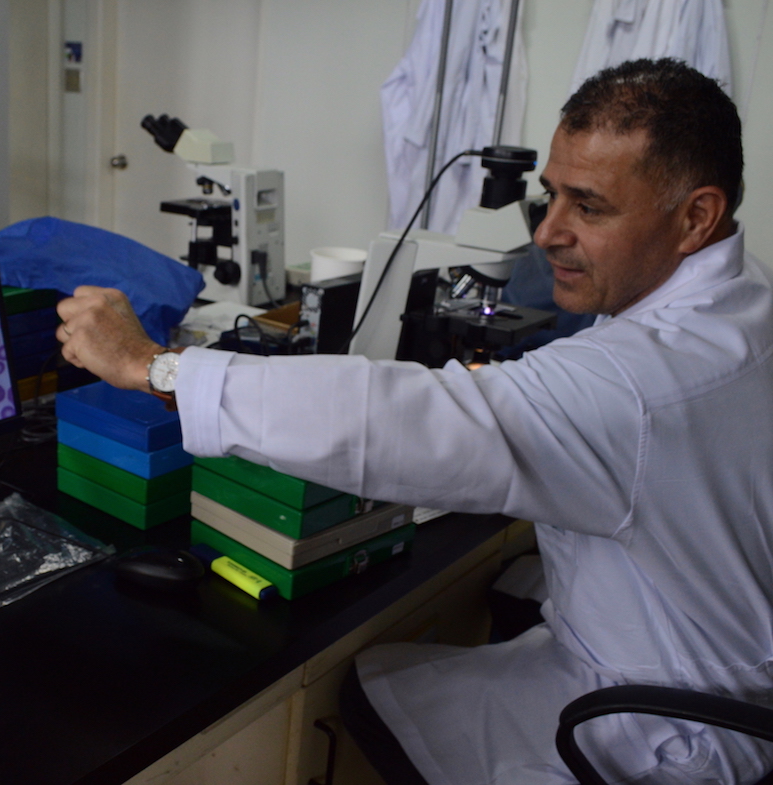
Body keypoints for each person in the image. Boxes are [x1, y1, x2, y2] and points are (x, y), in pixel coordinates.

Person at [55, 58, 773, 784]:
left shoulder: (635, 385)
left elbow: (389, 420)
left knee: (370, 686)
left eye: (588, 207)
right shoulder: (746, 305)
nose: (548, 232)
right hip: (713, 659)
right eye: (550, 196)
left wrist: (154, 366)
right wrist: (522, 398)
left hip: (659, 729)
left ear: (695, 216)